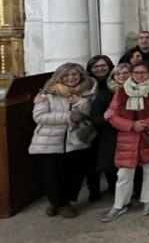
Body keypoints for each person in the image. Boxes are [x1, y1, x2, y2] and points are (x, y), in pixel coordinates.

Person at [102, 62, 149, 222]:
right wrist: (131, 125)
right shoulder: (122, 89)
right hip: (128, 136)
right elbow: (112, 113)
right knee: (124, 173)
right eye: (136, 72)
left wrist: (146, 124)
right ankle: (119, 204)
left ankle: (148, 201)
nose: (139, 76)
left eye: (142, 72)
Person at [29, 63, 97, 218]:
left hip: (76, 140)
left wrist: (81, 103)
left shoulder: (88, 91)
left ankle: (62, 201)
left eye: (74, 74)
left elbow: (89, 112)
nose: (71, 78)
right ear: (59, 77)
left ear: (81, 75)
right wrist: (68, 117)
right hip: (49, 140)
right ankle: (59, 203)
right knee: (52, 175)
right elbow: (39, 117)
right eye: (66, 75)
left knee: (74, 174)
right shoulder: (47, 94)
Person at [90, 62, 130, 199]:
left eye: (125, 73)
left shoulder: (139, 89)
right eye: (118, 74)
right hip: (110, 133)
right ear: (112, 76)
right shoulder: (105, 93)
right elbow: (95, 115)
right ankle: (114, 188)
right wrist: (104, 118)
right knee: (111, 163)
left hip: (131, 132)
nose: (122, 76)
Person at [85, 55, 115, 202]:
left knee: (110, 157)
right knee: (91, 161)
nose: (100, 69)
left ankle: (112, 185)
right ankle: (93, 189)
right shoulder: (85, 84)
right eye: (95, 66)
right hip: (90, 126)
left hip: (108, 126)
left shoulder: (113, 83)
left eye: (103, 65)